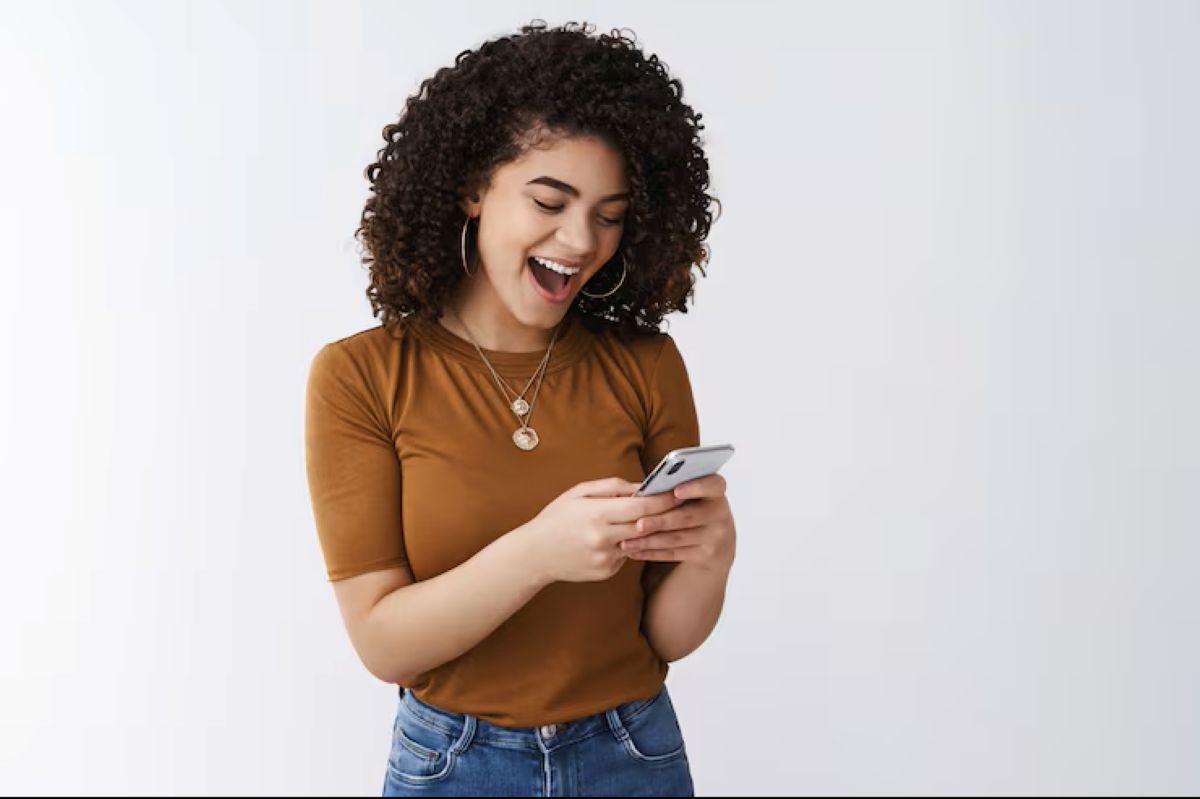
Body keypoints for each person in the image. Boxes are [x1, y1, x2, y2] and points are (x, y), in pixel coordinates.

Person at [304, 20, 736, 797]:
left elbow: (666, 635)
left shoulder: (646, 364)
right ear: (473, 186)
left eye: (610, 213)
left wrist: (711, 554)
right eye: (550, 199)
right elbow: (382, 642)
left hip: (631, 750)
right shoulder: (361, 376)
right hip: (455, 761)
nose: (581, 240)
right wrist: (539, 552)